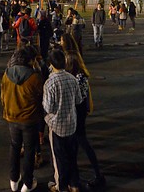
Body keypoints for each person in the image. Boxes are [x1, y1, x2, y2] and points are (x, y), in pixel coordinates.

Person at [1, 46, 43, 192]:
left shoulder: (6, 74)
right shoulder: (34, 77)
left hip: (11, 117)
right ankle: (27, 182)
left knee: (14, 147)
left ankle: (13, 179)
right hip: (29, 119)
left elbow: (3, 96)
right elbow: (41, 97)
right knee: (30, 150)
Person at [65, 50, 105, 189]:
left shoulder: (74, 78)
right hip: (81, 111)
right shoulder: (82, 76)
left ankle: (96, 174)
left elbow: (76, 98)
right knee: (78, 142)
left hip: (76, 110)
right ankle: (80, 173)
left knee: (81, 141)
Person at [43, 48, 82, 192]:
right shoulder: (72, 78)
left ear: (51, 64)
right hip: (72, 124)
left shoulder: (50, 83)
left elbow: (48, 107)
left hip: (57, 126)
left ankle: (61, 187)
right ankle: (75, 184)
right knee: (72, 157)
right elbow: (78, 100)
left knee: (59, 159)